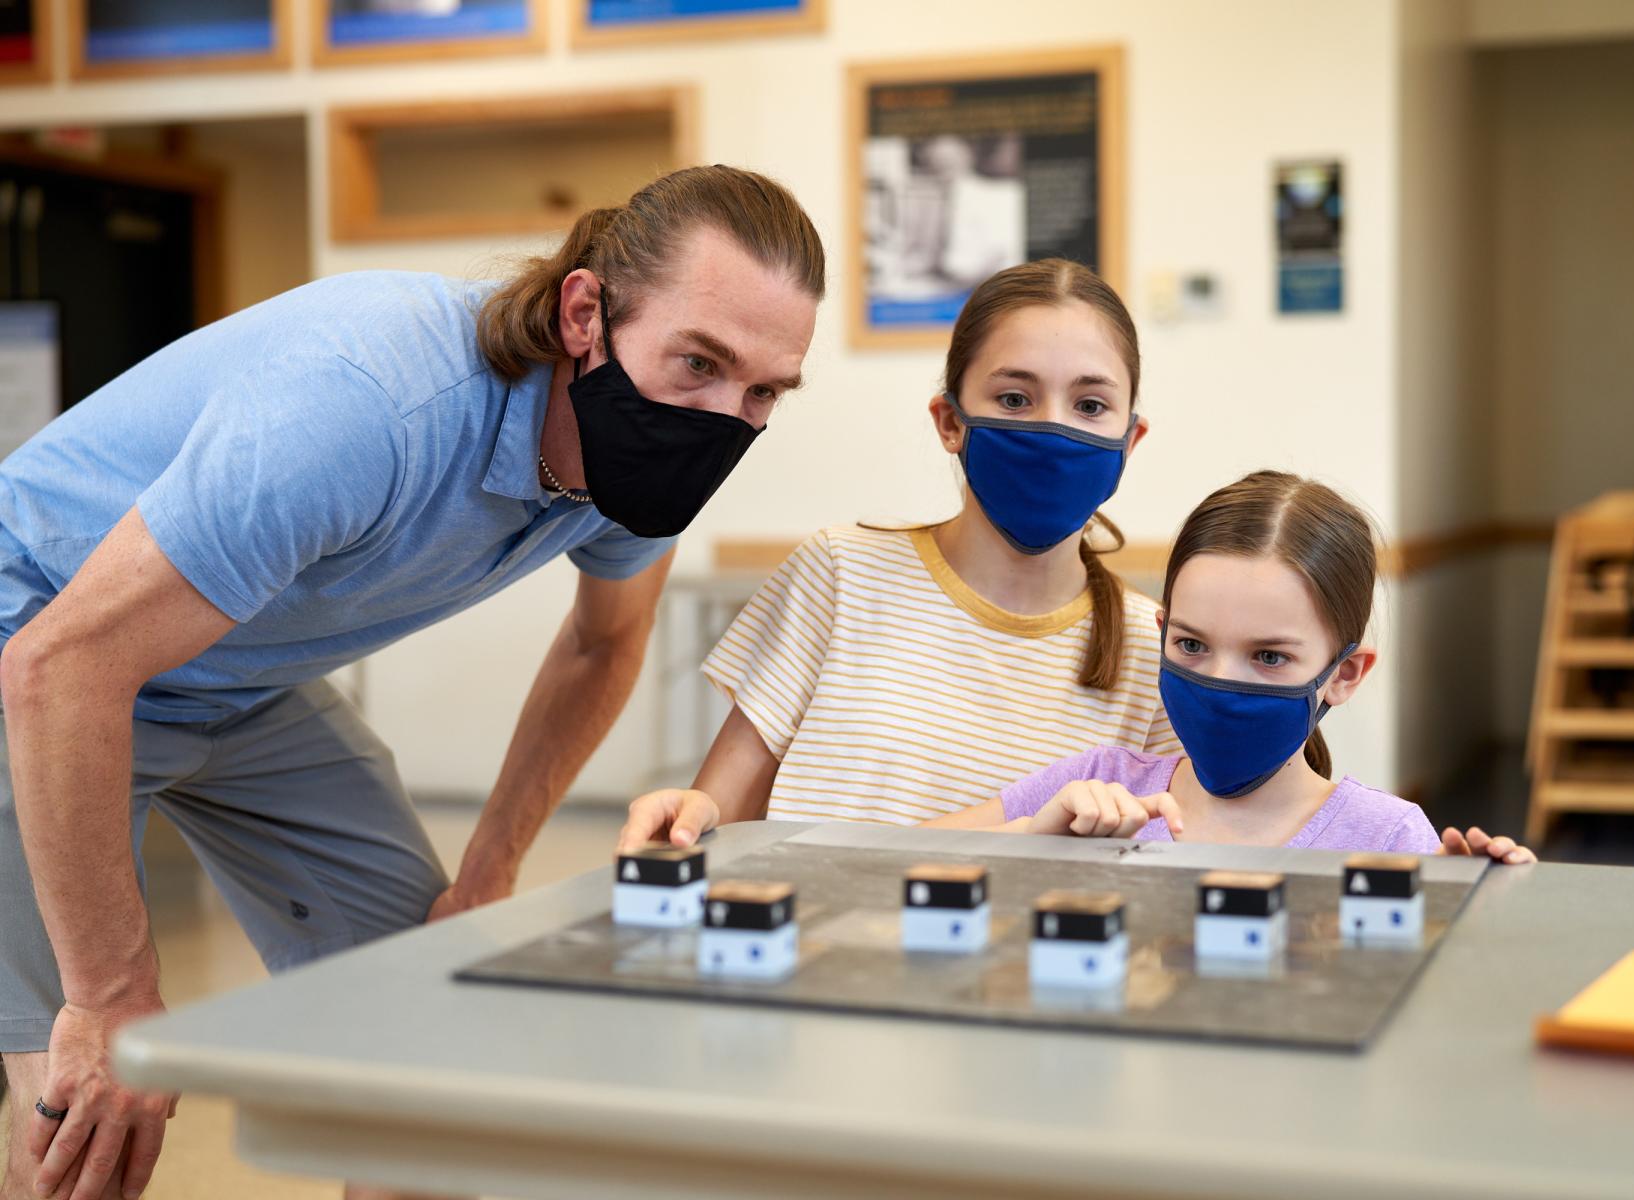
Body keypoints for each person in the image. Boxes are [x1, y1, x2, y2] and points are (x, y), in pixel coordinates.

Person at [0, 165, 824, 1200]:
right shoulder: (373, 402)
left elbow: (602, 643)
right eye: (697, 361)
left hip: (237, 679)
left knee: (424, 1049)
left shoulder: (642, 466)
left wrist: (485, 876)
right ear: (585, 314)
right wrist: (110, 994)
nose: (723, 415)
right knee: (92, 1108)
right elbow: (60, 664)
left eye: (761, 391)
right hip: (33, 644)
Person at [618, 259, 1178, 851]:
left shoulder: (1156, 648)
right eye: (1014, 398)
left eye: (1090, 406)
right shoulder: (840, 572)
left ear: (1129, 440)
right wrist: (687, 813)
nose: (1052, 429)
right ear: (950, 423)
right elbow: (719, 816)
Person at [932, 470, 1536, 865]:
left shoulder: (1388, 838)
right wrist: (1037, 839)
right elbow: (886, 861)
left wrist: (1484, 909)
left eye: (1269, 656)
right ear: (1162, 632)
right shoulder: (1098, 785)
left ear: (1345, 674)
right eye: (1192, 645)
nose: (1222, 681)